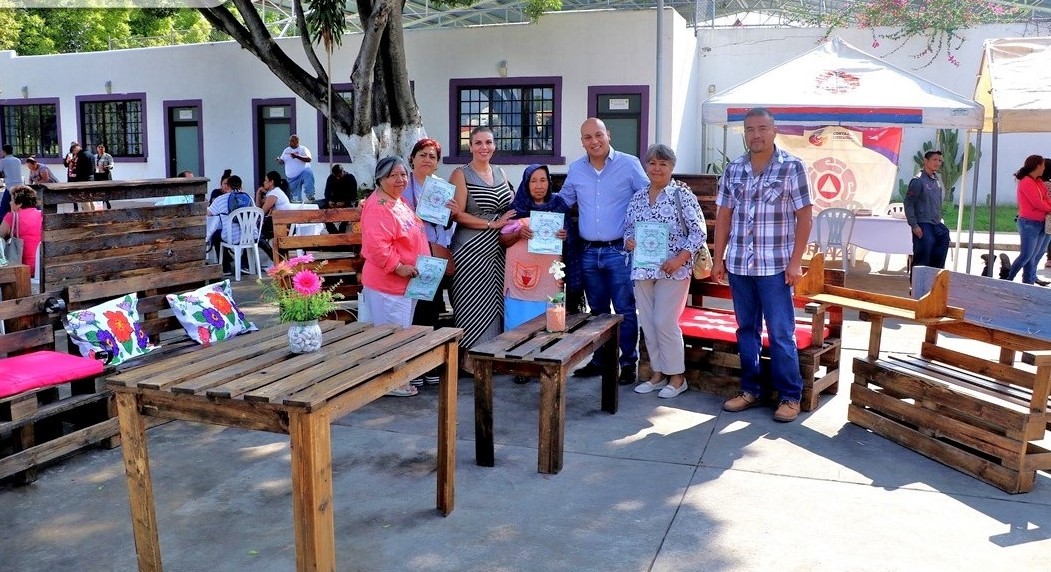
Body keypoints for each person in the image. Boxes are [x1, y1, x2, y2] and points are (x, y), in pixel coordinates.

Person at [715, 108, 813, 423]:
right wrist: (718, 258)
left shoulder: (792, 167)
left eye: (761, 128)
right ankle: (750, 389)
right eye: (750, 129)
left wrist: (796, 262)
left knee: (781, 332)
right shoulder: (734, 169)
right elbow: (724, 216)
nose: (755, 135)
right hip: (740, 265)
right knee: (746, 330)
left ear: (773, 130)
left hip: (775, 267)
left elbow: (805, 217)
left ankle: (790, 396)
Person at [557, 117, 649, 385]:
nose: (594, 141)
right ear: (582, 142)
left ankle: (628, 363)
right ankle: (599, 361)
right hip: (587, 252)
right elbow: (561, 203)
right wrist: (530, 215)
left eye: (598, 135)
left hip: (619, 251)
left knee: (624, 309)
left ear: (608, 134)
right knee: (596, 312)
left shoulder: (629, 164)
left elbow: (647, 200)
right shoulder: (576, 170)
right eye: (587, 137)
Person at [624, 145, 705, 399]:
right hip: (643, 269)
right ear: (646, 166)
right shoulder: (638, 197)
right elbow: (628, 229)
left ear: (671, 168)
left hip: (674, 270)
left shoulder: (681, 195)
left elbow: (699, 231)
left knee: (665, 322)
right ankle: (657, 374)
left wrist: (681, 258)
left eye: (663, 164)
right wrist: (629, 241)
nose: (657, 168)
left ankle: (677, 378)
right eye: (652, 163)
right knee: (647, 323)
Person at [360, 155, 430, 397]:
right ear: (381, 179)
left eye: (403, 174)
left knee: (400, 330)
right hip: (388, 282)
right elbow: (377, 245)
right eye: (393, 175)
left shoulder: (396, 200)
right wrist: (398, 266)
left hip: (406, 281)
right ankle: (392, 383)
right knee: (392, 334)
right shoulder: (379, 206)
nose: (400, 180)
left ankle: (397, 378)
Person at [450, 126, 516, 372]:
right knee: (472, 304)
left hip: (498, 251)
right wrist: (492, 223)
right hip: (471, 250)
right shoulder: (461, 174)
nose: (484, 147)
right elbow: (458, 214)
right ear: (471, 146)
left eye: (488, 142)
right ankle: (469, 362)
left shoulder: (500, 172)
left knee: (495, 304)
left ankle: (491, 358)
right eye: (478, 143)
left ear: (495, 145)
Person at [500, 164, 570, 384]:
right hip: (519, 276)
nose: (539, 186)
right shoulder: (516, 207)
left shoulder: (558, 205)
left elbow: (571, 239)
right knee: (519, 319)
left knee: (547, 318)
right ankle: (520, 365)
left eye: (543, 180)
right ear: (526, 183)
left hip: (549, 276)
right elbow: (503, 240)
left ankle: (544, 363)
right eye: (533, 181)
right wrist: (518, 232)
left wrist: (565, 235)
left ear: (549, 182)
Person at [401, 138, 459, 386]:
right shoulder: (402, 185)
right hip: (410, 255)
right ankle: (413, 365)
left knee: (432, 308)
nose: (427, 159)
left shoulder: (441, 187)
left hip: (434, 256)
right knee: (412, 311)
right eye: (422, 154)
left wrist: (451, 212)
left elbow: (444, 224)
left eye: (432, 156)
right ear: (412, 158)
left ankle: (429, 364)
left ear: (437, 163)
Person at [1004, 155, 1051, 285]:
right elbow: (1036, 203)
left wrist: (1048, 206)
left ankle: (1028, 282)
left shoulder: (1039, 182)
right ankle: (1008, 279)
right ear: (1037, 166)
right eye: (1042, 165)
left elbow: (1046, 199)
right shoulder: (1026, 182)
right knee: (1026, 255)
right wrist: (1048, 208)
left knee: (1033, 256)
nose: (1044, 168)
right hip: (1028, 223)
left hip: (1040, 222)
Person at [904, 150, 950, 273]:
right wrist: (914, 225)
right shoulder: (918, 181)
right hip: (923, 224)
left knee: (938, 257)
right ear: (925, 161)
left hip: (935, 224)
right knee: (922, 260)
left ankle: (934, 286)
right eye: (934, 159)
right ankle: (916, 289)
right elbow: (908, 203)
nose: (938, 163)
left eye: (940, 160)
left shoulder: (936, 180)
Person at [206, 175, 254, 276]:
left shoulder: (220, 199)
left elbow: (208, 213)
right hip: (250, 236)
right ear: (241, 186)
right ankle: (245, 265)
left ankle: (225, 266)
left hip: (230, 237)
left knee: (216, 235)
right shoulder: (248, 198)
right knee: (245, 232)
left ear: (228, 186)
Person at [0, 186, 43, 275]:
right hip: (40, 267)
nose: (10, 203)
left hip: (21, 268)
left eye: (12, 200)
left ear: (19, 203)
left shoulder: (12, 217)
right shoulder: (42, 215)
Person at [256, 170, 292, 263]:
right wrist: (258, 193)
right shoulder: (274, 192)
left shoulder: (274, 193)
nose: (263, 182)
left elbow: (262, 211)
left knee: (257, 236)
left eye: (265, 180)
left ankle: (277, 261)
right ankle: (277, 260)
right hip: (280, 223)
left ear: (271, 182)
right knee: (255, 233)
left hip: (282, 225)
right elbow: (259, 206)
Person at [320, 164, 358, 234]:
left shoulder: (350, 178)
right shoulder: (331, 178)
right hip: (334, 201)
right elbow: (327, 191)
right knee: (323, 210)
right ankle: (332, 231)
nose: (337, 178)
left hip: (347, 201)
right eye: (336, 176)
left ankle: (342, 230)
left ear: (342, 172)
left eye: (339, 176)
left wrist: (344, 202)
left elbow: (353, 195)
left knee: (349, 211)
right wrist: (329, 201)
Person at [277, 134, 315, 203]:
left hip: (302, 173)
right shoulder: (286, 150)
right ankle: (298, 205)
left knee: (308, 173)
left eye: (292, 141)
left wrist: (297, 156)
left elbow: (309, 159)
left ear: (297, 142)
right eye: (289, 141)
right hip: (292, 178)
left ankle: (310, 196)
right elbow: (282, 161)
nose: (290, 143)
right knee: (295, 199)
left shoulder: (303, 149)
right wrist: (279, 160)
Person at [0, 144, 23, 222]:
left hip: (10, 187)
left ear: (4, 152)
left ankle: (2, 226)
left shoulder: (3, 161)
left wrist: (3, 175)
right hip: (20, 186)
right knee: (19, 206)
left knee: (3, 208)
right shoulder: (17, 160)